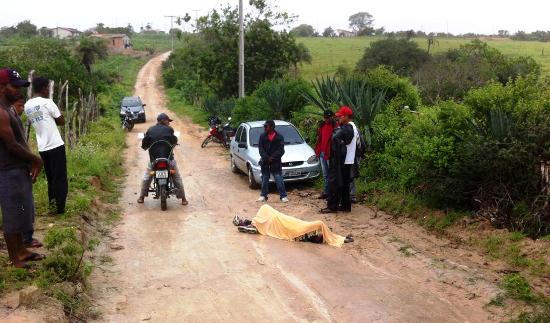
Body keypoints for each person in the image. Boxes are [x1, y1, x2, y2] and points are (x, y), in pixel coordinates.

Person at [0, 68, 45, 268]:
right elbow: (11, 144)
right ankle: (15, 258)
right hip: (6, 169)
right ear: (2, 87)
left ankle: (21, 250)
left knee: (19, 211)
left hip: (16, 168)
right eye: (14, 86)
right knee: (11, 213)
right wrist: (35, 159)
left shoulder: (8, 108)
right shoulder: (0, 112)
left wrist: (28, 161)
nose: (19, 91)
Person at [24, 77, 68, 215]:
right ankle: (60, 208)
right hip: (55, 144)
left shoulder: (27, 105)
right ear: (43, 88)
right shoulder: (47, 102)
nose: (49, 90)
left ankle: (53, 205)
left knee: (50, 178)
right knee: (59, 177)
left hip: (42, 147)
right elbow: (61, 121)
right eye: (48, 88)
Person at [232, 205, 353, 247]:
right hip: (289, 224)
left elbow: (321, 235)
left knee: (266, 213)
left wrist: (341, 238)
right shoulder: (310, 233)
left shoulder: (310, 234)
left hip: (289, 227)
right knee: (267, 216)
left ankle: (249, 223)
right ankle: (249, 223)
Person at [137, 113, 188, 205]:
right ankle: (183, 199)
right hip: (168, 160)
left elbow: (144, 144)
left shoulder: (150, 129)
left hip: (154, 160)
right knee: (177, 177)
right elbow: (174, 140)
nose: (169, 123)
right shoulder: (169, 129)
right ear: (163, 120)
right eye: (168, 121)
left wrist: (146, 146)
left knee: (147, 177)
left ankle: (141, 197)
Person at [321, 106, 355, 214]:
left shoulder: (347, 128)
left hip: (341, 160)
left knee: (334, 182)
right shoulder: (353, 127)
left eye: (340, 117)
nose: (338, 119)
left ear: (345, 117)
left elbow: (335, 138)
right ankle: (345, 205)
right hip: (348, 160)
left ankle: (332, 206)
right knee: (344, 184)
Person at [257, 120, 288, 203]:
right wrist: (266, 157)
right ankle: (263, 195)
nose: (264, 128)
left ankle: (283, 196)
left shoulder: (279, 137)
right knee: (265, 178)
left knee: (278, 178)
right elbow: (260, 148)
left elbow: (281, 150)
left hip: (276, 161)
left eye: (266, 126)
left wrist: (273, 157)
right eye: (264, 126)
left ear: (272, 127)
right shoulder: (262, 136)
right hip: (265, 161)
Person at [314, 110, 337, 199]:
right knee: (325, 174)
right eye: (325, 117)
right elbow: (320, 138)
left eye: (328, 117)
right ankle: (326, 192)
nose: (326, 119)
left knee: (331, 175)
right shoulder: (322, 125)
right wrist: (318, 150)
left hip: (330, 154)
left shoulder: (335, 126)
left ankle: (332, 193)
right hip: (322, 153)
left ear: (332, 117)